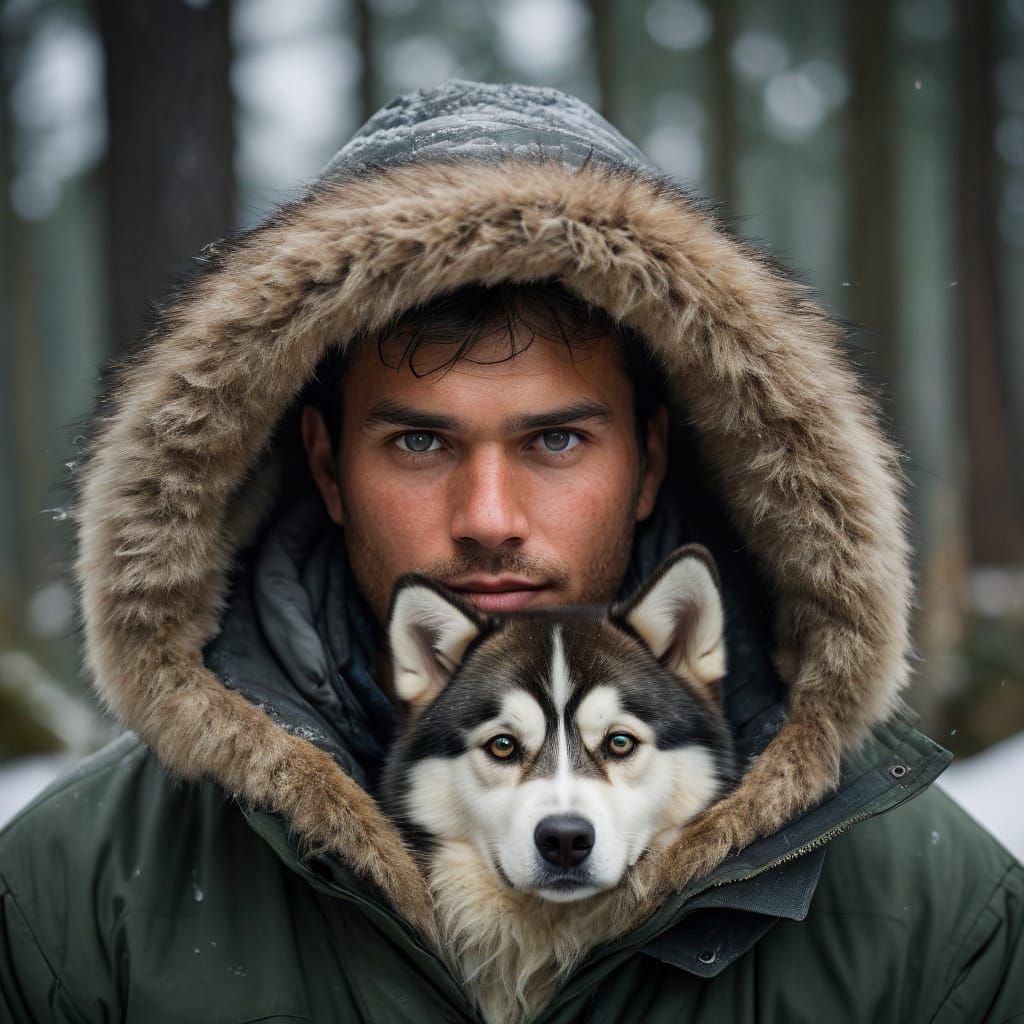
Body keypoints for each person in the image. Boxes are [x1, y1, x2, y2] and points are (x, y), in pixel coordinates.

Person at [1, 80, 1021, 1023]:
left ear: (650, 459)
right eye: (419, 442)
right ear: (325, 466)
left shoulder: (935, 920)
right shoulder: (76, 900)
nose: (488, 516)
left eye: (554, 440)